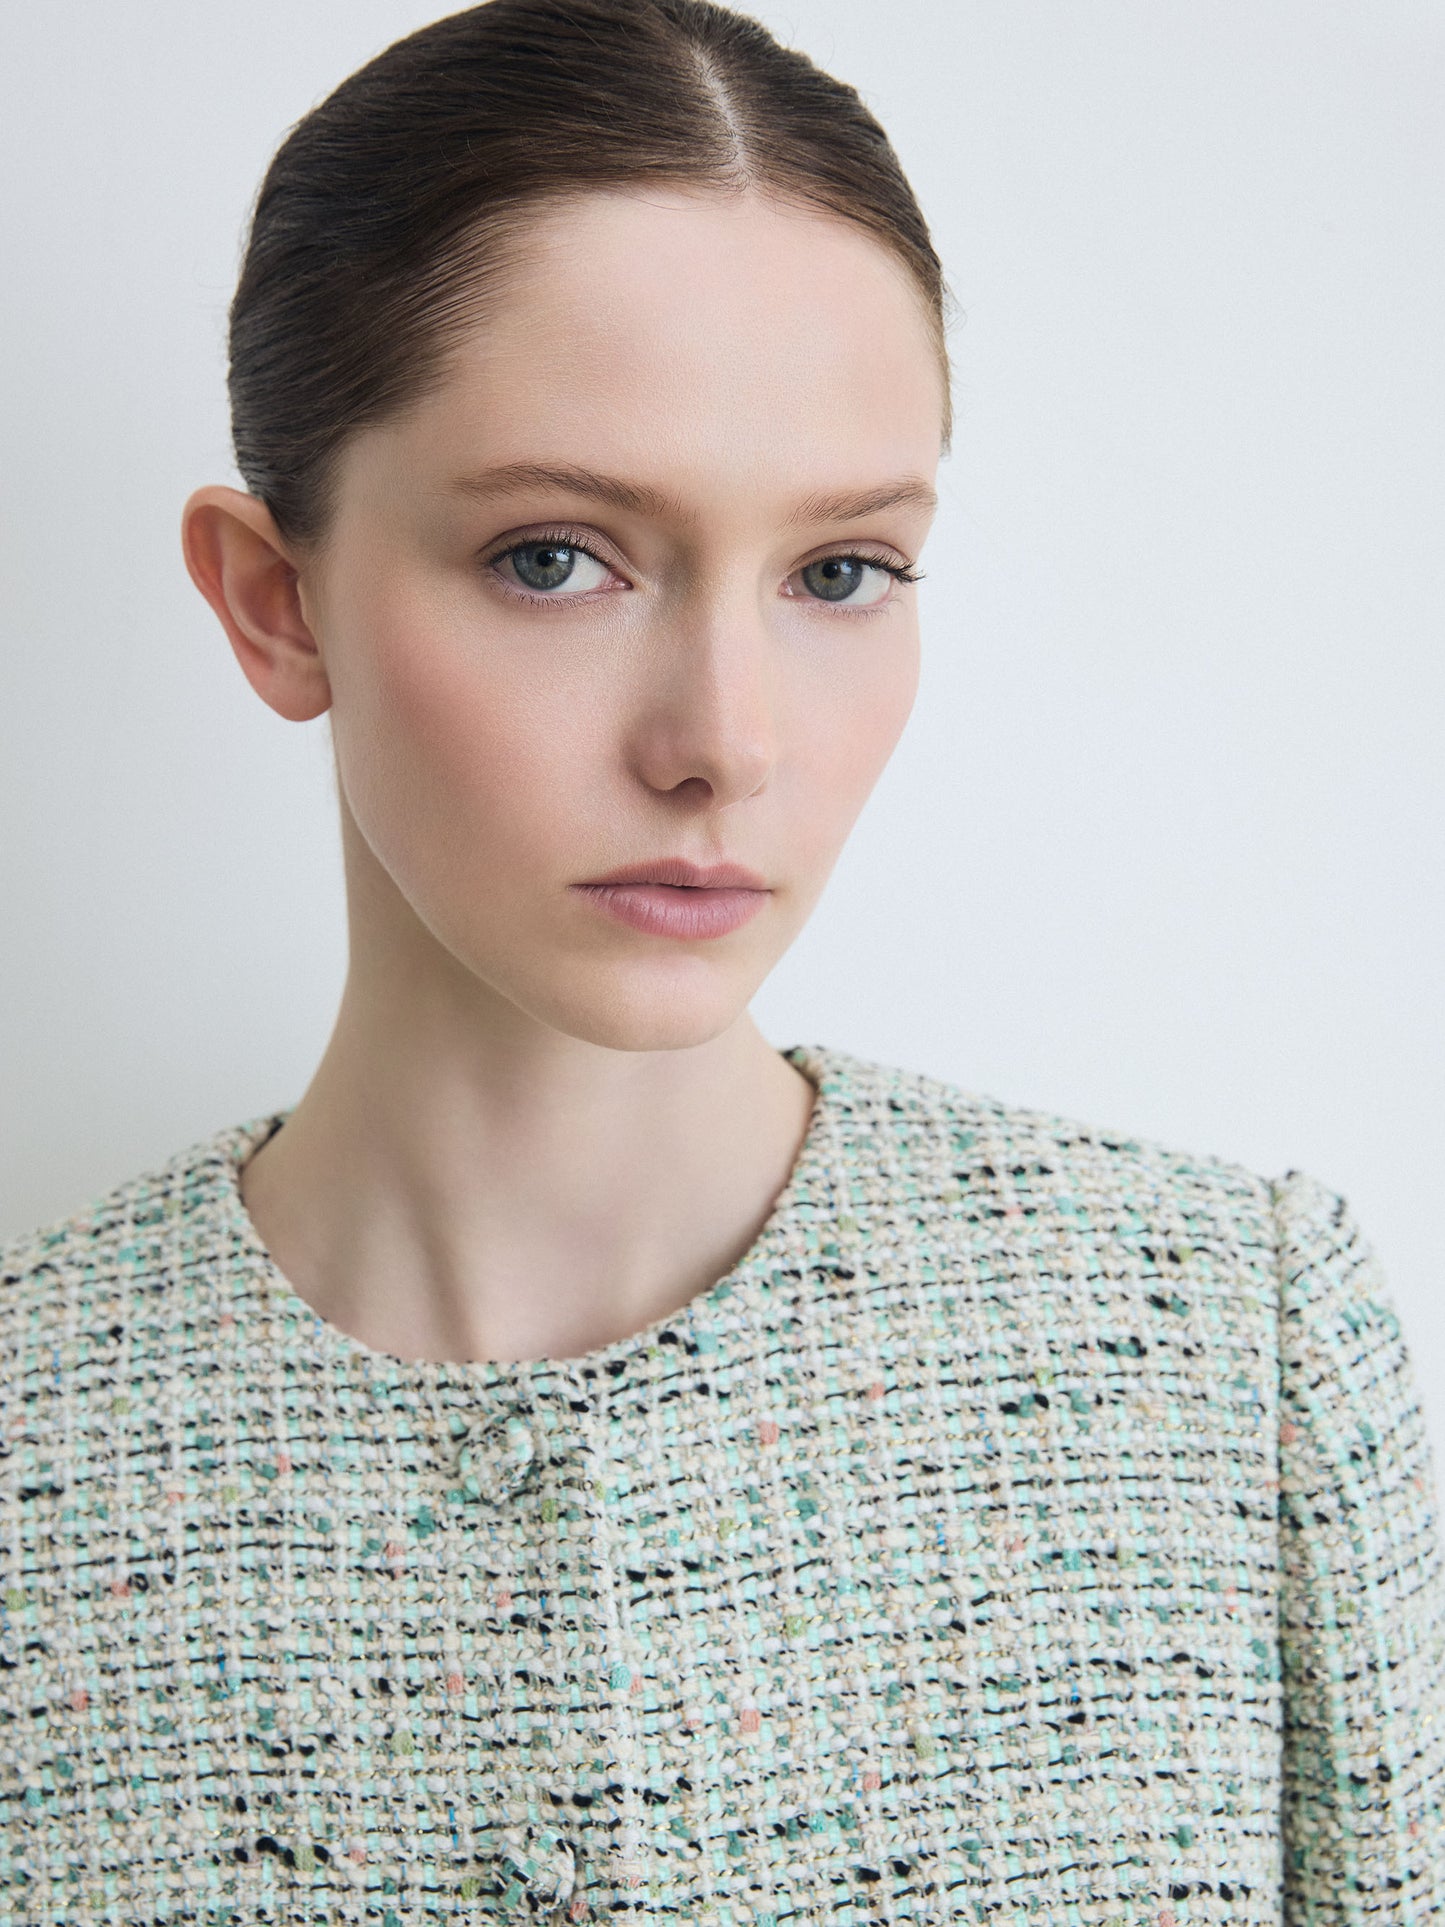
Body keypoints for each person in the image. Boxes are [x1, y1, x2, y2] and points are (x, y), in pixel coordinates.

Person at [2, 0, 1440, 1916]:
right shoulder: (40, 1448)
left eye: (839, 572)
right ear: (276, 604)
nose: (725, 741)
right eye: (554, 558)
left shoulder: (1224, 1354)